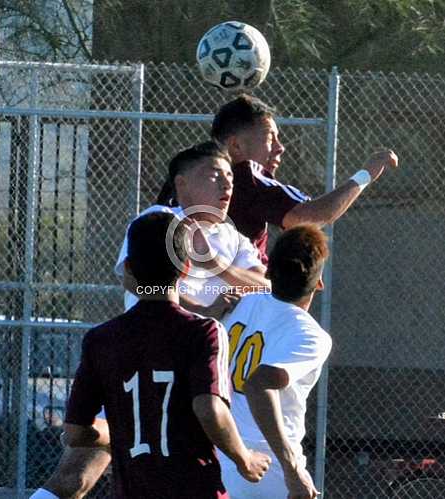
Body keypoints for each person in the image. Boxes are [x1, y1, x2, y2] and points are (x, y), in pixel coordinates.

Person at [32, 212, 271, 499]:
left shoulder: (101, 339)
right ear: (186, 268)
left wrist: (121, 431)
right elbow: (210, 409)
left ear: (129, 269)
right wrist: (244, 458)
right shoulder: (204, 331)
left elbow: (75, 433)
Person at [158, 94, 398, 265]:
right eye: (271, 138)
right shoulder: (246, 174)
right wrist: (366, 174)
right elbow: (309, 216)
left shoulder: (183, 174)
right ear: (236, 145)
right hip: (232, 308)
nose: (280, 148)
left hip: (175, 300)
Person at [218, 223, 332, 498]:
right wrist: (292, 470)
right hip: (266, 465)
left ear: (268, 272)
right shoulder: (311, 335)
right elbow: (259, 385)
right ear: (318, 283)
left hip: (222, 452)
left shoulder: (244, 303)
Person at [116, 140, 269, 312]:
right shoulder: (160, 219)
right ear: (182, 184)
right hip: (157, 333)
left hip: (212, 336)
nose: (227, 184)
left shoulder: (233, 237)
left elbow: (268, 287)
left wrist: (214, 264)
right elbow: (135, 282)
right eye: (216, 175)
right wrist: (201, 312)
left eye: (229, 176)